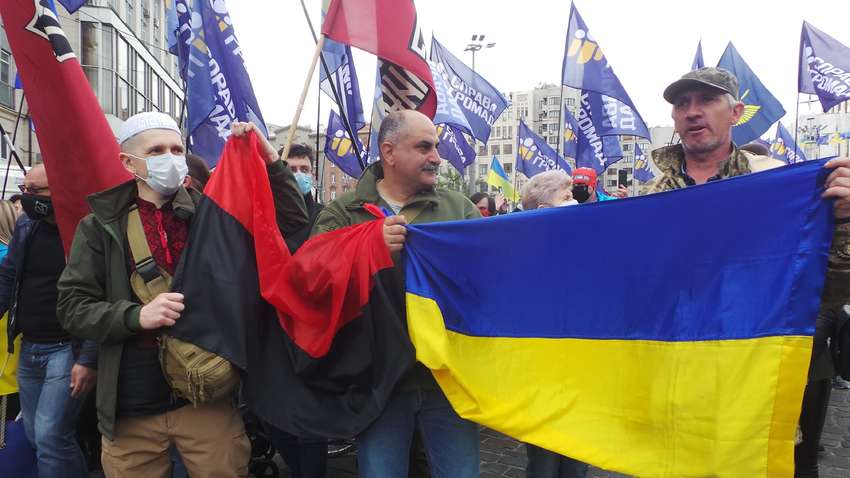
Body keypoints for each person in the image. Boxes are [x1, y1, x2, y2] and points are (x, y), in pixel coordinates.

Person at [56, 112, 308, 478]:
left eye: (176, 149)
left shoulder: (212, 211)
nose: (170, 158)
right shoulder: (99, 227)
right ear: (128, 162)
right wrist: (134, 316)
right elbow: (72, 306)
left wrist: (270, 163)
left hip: (207, 396)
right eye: (156, 150)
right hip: (131, 407)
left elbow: (290, 226)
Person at [651, 66, 850, 478]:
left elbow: (830, 288)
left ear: (736, 112)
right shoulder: (649, 198)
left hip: (751, 390)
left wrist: (844, 222)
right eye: (681, 104)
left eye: (706, 100)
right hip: (669, 391)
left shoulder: (781, 188)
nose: (692, 112)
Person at [311, 109, 481, 477]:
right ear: (388, 152)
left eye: (435, 147)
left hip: (448, 382)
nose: (436, 157)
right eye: (424, 147)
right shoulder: (344, 212)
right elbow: (312, 281)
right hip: (380, 385)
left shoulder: (458, 208)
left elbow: (489, 279)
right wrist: (367, 249)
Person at [0, 164, 98, 478]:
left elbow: (100, 293)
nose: (26, 197)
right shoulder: (26, 226)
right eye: (24, 189)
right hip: (29, 346)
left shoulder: (85, 231)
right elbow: (9, 276)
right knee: (37, 435)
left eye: (36, 191)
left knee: (50, 435)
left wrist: (88, 357)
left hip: (66, 348)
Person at [261, 142, 329, 477]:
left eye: (304, 169)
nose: (299, 176)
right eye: (292, 170)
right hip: (272, 334)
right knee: (272, 416)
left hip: (311, 334)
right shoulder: (266, 214)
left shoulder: (325, 217)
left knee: (311, 424)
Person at [519, 169, 588, 478]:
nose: (574, 201)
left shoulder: (584, 248)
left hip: (580, 376)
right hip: (541, 379)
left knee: (577, 459)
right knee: (545, 463)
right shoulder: (521, 257)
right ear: (544, 212)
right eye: (567, 196)